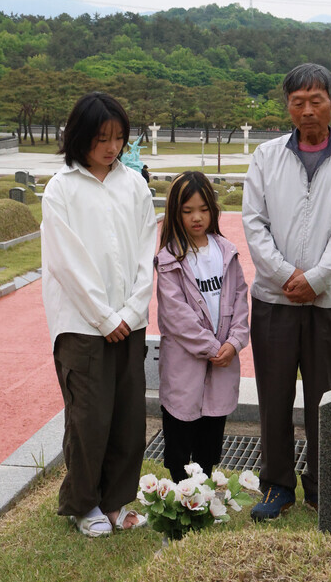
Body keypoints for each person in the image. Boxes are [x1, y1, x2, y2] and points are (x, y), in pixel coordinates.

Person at [242, 63, 331, 520]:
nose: (308, 110)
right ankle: (276, 485)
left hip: (329, 300)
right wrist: (284, 276)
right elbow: (254, 223)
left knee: (326, 394)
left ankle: (322, 485)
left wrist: (315, 279)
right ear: (288, 106)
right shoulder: (266, 156)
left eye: (316, 100)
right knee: (273, 396)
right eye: (298, 102)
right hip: (274, 301)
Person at [42, 92, 157, 537]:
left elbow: (147, 247)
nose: (111, 148)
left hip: (131, 320)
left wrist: (131, 309)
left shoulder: (133, 184)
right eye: (102, 138)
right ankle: (83, 504)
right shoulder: (62, 189)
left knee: (128, 416)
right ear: (80, 138)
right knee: (89, 417)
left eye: (119, 138)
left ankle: (114, 501)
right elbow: (65, 261)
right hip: (82, 325)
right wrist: (104, 316)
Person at [156, 171, 249, 484]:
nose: (196, 217)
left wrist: (233, 342)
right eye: (187, 211)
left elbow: (239, 298)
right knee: (181, 431)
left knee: (211, 430)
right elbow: (175, 314)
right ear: (175, 213)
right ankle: (182, 496)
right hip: (186, 362)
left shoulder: (226, 252)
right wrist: (210, 347)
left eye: (203, 209)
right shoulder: (170, 259)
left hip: (223, 359)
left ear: (213, 210)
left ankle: (205, 488)